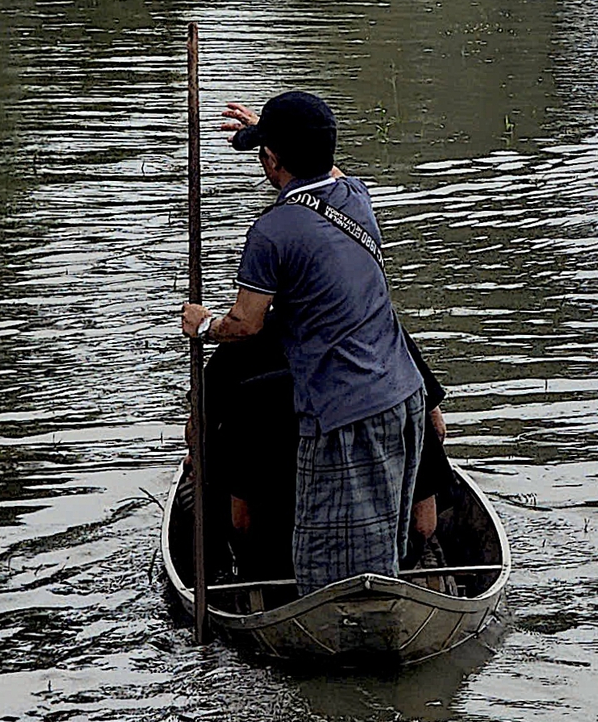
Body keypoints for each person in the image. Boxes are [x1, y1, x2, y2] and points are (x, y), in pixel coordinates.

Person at [180, 90, 431, 594]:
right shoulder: (356, 196)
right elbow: (320, 166)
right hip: (403, 396)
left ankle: (335, 630)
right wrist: (267, 129)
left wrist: (203, 325)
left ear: (272, 159)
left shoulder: (272, 232)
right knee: (381, 544)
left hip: (341, 411)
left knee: (330, 564)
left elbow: (247, 324)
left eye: (264, 152)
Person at [202, 320, 457, 582]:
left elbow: (241, 522)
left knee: (209, 470)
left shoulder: (249, 392)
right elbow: (424, 524)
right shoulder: (388, 359)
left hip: (280, 567)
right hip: (385, 561)